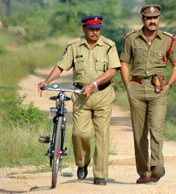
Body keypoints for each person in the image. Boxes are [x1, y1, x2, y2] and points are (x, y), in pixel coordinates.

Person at [38, 15, 121, 185]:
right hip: (81, 96)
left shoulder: (108, 46)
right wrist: (47, 81)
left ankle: (100, 174)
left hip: (102, 95)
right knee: (79, 133)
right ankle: (83, 162)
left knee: (102, 136)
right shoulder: (74, 46)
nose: (95, 32)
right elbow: (61, 66)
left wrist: (94, 84)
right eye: (91, 29)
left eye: (98, 29)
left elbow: (113, 70)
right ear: (84, 29)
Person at [120, 4, 176, 184]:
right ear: (142, 19)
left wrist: (169, 85)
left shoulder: (168, 40)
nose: (152, 21)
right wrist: (128, 86)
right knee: (140, 133)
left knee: (156, 129)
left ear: (159, 19)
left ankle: (156, 166)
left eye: (155, 18)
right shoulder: (131, 39)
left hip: (158, 90)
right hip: (137, 88)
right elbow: (124, 62)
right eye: (148, 18)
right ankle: (144, 172)